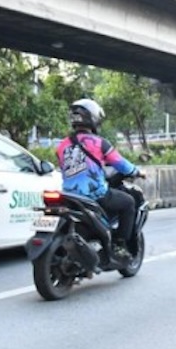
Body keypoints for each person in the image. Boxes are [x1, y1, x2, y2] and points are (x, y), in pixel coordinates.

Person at [56, 98, 141, 264]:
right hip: (95, 195)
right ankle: (119, 246)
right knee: (129, 202)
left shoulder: (62, 145)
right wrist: (137, 171)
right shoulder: (100, 143)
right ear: (93, 119)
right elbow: (121, 165)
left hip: (69, 195)